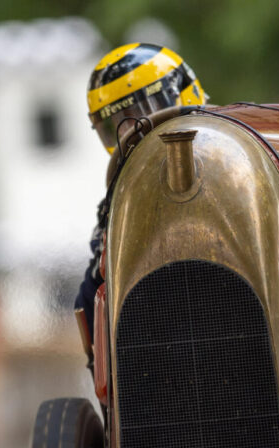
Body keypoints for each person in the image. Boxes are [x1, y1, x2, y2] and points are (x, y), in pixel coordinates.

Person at [74, 43, 208, 347]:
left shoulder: (236, 166)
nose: (129, 131)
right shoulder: (117, 205)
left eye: (141, 111)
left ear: (183, 94)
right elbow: (92, 307)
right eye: (115, 124)